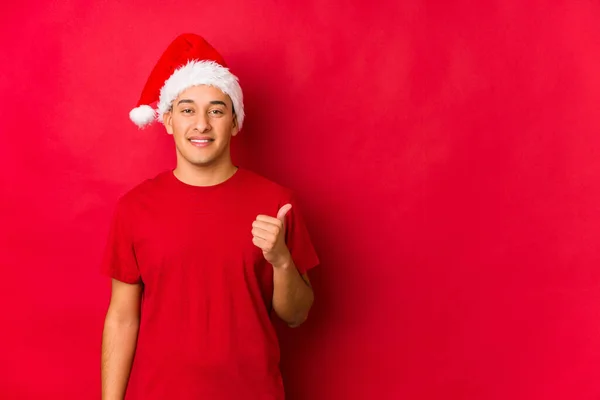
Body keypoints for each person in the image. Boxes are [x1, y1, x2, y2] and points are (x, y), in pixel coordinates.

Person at [100, 33, 319, 400]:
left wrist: (281, 260)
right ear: (168, 121)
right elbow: (122, 317)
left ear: (235, 123)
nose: (201, 124)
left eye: (216, 110)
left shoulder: (278, 203)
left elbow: (296, 315)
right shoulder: (134, 207)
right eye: (187, 110)